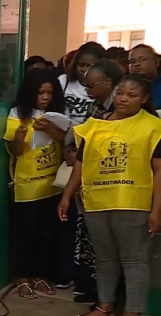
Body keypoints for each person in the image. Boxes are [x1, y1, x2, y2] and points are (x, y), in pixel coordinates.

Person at [58, 74, 161, 316]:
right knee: (104, 259)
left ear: (145, 99)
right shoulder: (97, 123)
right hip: (97, 201)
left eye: (132, 95)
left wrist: (157, 209)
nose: (123, 99)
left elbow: (159, 170)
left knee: (134, 259)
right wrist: (67, 195)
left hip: (133, 203)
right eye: (120, 93)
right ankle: (104, 306)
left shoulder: (152, 126)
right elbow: (81, 163)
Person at [64, 59, 124, 302]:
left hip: (118, 186)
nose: (87, 90)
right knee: (94, 243)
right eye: (85, 85)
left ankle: (113, 296)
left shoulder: (126, 112)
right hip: (92, 185)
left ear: (109, 82)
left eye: (92, 85)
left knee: (117, 247)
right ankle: (96, 289)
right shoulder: (95, 108)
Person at [3, 69, 66, 298]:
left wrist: (50, 128)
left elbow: (65, 139)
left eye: (50, 93)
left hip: (52, 184)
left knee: (46, 234)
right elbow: (15, 150)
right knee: (25, 234)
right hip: (26, 186)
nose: (46, 97)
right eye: (41, 92)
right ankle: (22, 278)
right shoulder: (17, 113)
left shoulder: (57, 114)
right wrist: (19, 138)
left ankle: (40, 276)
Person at [59, 42, 107, 125]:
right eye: (81, 65)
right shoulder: (63, 80)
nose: (84, 69)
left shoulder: (105, 86)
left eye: (89, 66)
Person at [128, 44, 161, 108]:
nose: (136, 64)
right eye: (132, 61)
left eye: (143, 59)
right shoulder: (125, 86)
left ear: (157, 61)